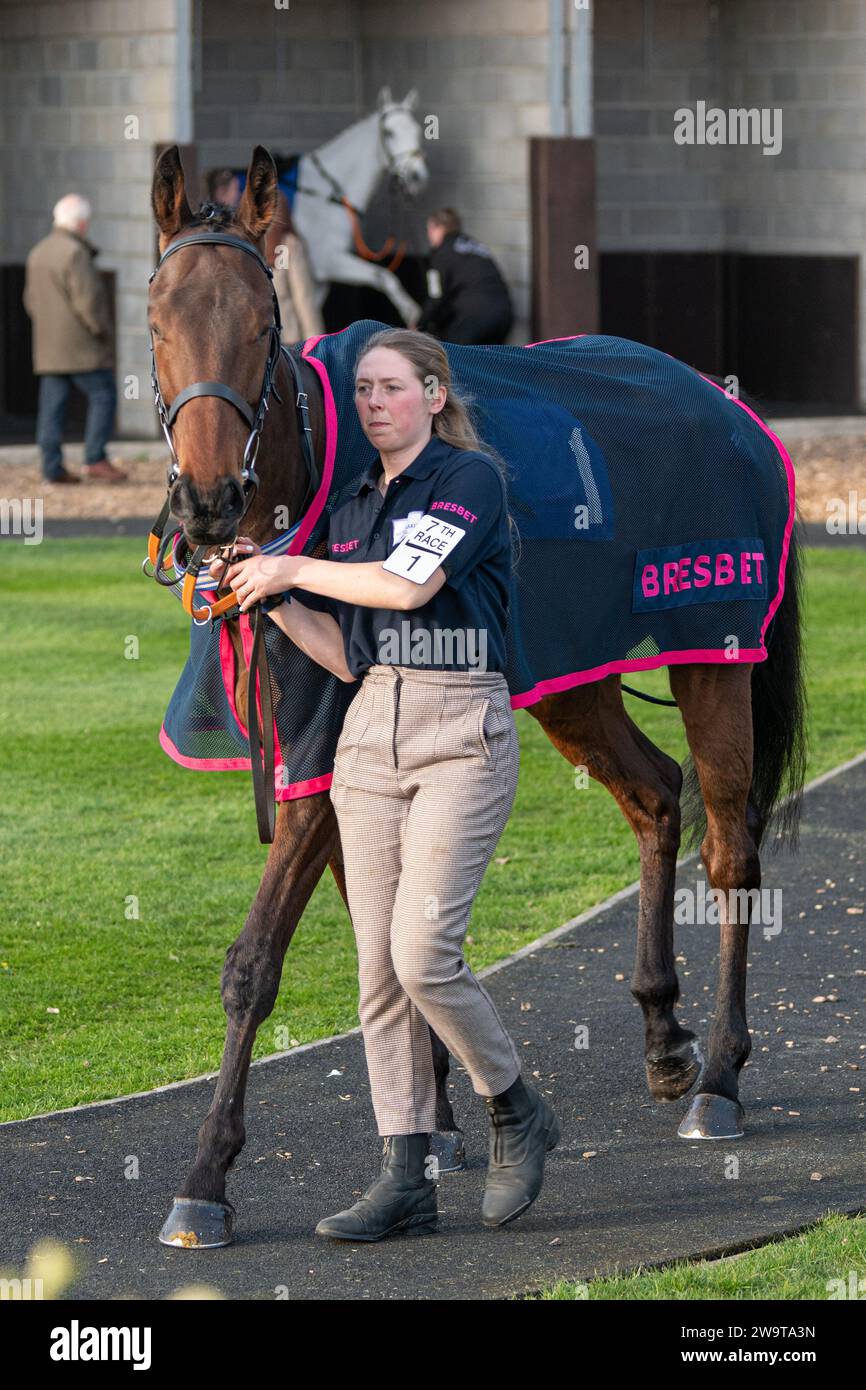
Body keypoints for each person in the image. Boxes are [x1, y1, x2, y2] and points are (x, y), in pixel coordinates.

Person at [211, 327, 559, 1241]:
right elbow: (346, 647)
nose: (373, 404)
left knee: (422, 953)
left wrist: (289, 564)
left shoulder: (468, 480)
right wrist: (269, 594)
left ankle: (516, 1105)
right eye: (362, 389)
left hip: (459, 731)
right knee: (378, 974)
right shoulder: (355, 502)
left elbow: (407, 588)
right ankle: (405, 1173)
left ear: (435, 395)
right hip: (371, 735)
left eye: (393, 388)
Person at [23, 193, 127, 484]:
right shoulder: (75, 253)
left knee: (51, 408)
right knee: (103, 395)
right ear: (81, 223)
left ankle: (51, 466)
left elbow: (30, 300)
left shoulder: (38, 252)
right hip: (81, 347)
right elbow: (89, 303)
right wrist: (103, 331)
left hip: (48, 348)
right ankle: (95, 458)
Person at [207, 168, 323, 345]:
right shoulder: (236, 242)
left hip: (277, 342)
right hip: (260, 344)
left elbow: (302, 298)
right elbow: (303, 299)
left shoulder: (282, 247)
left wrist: (316, 344)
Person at [413, 208, 513, 345]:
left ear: (438, 229)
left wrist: (418, 327)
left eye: (429, 229)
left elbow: (435, 297)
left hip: (474, 317)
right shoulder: (474, 245)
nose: (429, 235)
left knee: (454, 358)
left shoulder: (440, 254)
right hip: (504, 314)